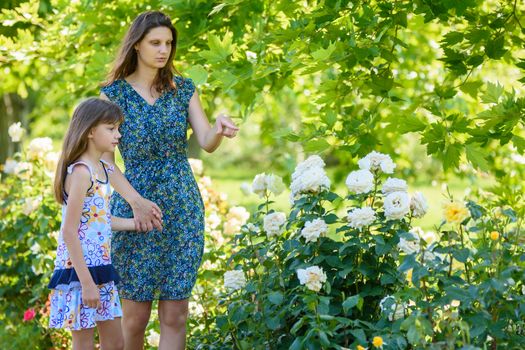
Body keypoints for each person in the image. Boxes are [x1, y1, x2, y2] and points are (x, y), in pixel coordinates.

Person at [99, 11, 239, 349]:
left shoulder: (183, 89)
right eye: (155, 43)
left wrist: (218, 128)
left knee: (175, 314)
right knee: (134, 317)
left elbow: (205, 141)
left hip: (181, 207)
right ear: (137, 45)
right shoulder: (112, 95)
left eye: (169, 43)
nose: (164, 50)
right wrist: (136, 202)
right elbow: (105, 164)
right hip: (134, 208)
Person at [48, 98, 138, 350]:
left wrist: (136, 223)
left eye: (118, 128)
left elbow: (99, 221)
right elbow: (69, 231)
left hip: (101, 267)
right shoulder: (81, 172)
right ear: (89, 131)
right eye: (111, 129)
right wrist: (86, 283)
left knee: (116, 343)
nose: (118, 134)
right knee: (84, 343)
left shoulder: (103, 169)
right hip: (80, 271)